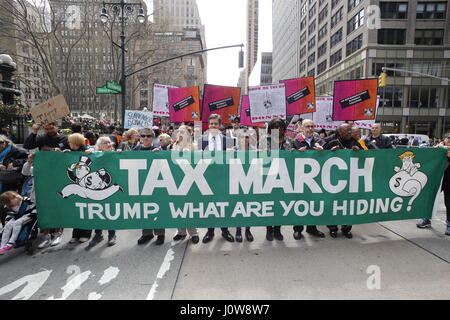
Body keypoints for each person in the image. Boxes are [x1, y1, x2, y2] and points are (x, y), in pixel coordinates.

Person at [198, 114, 234, 243]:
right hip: (207, 177)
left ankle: (225, 231)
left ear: (220, 125)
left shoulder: (227, 140)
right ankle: (210, 231)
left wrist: (232, 152)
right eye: (211, 123)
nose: (213, 126)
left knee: (224, 204)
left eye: (215, 124)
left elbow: (232, 159)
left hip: (223, 177)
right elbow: (196, 158)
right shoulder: (201, 140)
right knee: (209, 205)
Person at [323, 123, 362, 239]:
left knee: (349, 205)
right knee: (333, 204)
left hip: (350, 180)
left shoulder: (354, 142)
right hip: (334, 180)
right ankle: (333, 227)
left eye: (350, 130)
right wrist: (330, 152)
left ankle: (346, 228)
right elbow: (320, 158)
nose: (350, 132)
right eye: (347, 130)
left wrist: (358, 151)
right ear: (340, 132)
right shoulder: (332, 142)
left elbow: (366, 156)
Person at [291, 120, 326, 240]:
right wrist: (296, 153)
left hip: (315, 179)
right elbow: (288, 158)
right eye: (307, 126)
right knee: (300, 204)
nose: (310, 129)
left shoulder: (320, 141)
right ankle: (297, 229)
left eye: (312, 126)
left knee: (313, 204)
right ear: (302, 128)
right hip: (300, 179)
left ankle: (312, 228)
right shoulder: (295, 141)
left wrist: (323, 152)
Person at [133, 128, 166, 245]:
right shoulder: (135, 150)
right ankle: (146, 234)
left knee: (157, 209)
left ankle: (160, 234)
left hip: (156, 185)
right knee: (144, 210)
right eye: (143, 136)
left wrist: (160, 154)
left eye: (148, 136)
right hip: (141, 185)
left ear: (152, 138)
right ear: (140, 138)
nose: (145, 138)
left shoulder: (158, 149)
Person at [260, 117, 291, 241]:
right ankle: (269, 230)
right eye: (275, 128)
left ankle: (277, 230)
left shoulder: (288, 140)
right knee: (269, 204)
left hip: (284, 177)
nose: (278, 130)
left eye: (280, 128)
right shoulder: (264, 139)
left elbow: (292, 158)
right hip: (268, 176)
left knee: (280, 205)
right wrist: (263, 152)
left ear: (284, 129)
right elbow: (259, 156)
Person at [171, 125, 200, 244]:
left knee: (189, 207)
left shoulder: (193, 146)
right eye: (179, 132)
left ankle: (193, 233)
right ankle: (181, 232)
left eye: (183, 132)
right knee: (178, 207)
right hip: (177, 180)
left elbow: (197, 162)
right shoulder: (174, 145)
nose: (181, 134)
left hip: (189, 179)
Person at [417, 134, 450, 233]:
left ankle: (449, 223)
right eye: (448, 138)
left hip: (448, 178)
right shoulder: (439, 147)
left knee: (448, 201)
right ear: (444, 139)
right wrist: (437, 149)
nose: (449, 140)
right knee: (430, 197)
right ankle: (426, 218)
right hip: (437, 177)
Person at [88, 137, 118, 247]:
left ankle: (112, 234)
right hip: (97, 188)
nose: (108, 144)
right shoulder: (94, 154)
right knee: (97, 211)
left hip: (110, 187)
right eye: (105, 143)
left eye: (109, 142)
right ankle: (98, 235)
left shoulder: (116, 154)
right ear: (100, 146)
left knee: (110, 211)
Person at [64, 133, 92, 243]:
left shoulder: (86, 152)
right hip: (77, 193)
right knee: (77, 213)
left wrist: (91, 152)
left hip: (87, 192)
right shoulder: (71, 152)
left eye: (70, 142)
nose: (68, 144)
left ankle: (86, 234)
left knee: (86, 212)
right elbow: (72, 174)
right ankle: (75, 234)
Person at [233, 127, 255, 242]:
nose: (244, 140)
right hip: (237, 183)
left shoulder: (255, 151)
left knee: (249, 207)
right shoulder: (233, 151)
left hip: (251, 183)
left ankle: (248, 230)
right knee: (238, 207)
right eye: (242, 137)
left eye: (247, 137)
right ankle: (238, 230)